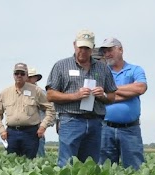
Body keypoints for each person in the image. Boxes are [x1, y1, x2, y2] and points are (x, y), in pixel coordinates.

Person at [46, 30, 118, 167]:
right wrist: (75, 96)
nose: (83, 51)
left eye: (87, 48)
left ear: (92, 47)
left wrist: (102, 95)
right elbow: (50, 95)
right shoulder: (61, 66)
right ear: (74, 45)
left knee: (91, 165)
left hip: (95, 122)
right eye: (81, 47)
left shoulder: (103, 69)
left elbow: (112, 97)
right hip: (70, 120)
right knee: (67, 165)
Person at [98, 38, 148, 169]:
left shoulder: (135, 69)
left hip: (130, 129)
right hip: (105, 128)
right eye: (104, 51)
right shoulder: (101, 71)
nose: (107, 54)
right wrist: (128, 92)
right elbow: (97, 94)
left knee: (135, 168)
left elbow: (140, 88)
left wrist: (109, 90)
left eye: (110, 50)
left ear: (120, 49)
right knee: (105, 169)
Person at [0, 63, 55, 159]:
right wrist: (1, 129)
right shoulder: (5, 93)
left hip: (31, 133)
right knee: (11, 164)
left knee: (30, 163)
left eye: (22, 73)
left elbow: (50, 108)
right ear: (13, 75)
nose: (19, 75)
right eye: (17, 73)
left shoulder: (36, 91)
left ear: (26, 75)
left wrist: (43, 126)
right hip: (11, 133)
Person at [27, 67, 52, 157]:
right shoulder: (19, 93)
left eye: (31, 77)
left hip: (37, 130)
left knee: (39, 157)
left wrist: (43, 126)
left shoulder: (41, 93)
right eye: (27, 77)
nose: (28, 79)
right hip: (22, 131)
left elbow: (51, 110)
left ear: (35, 79)